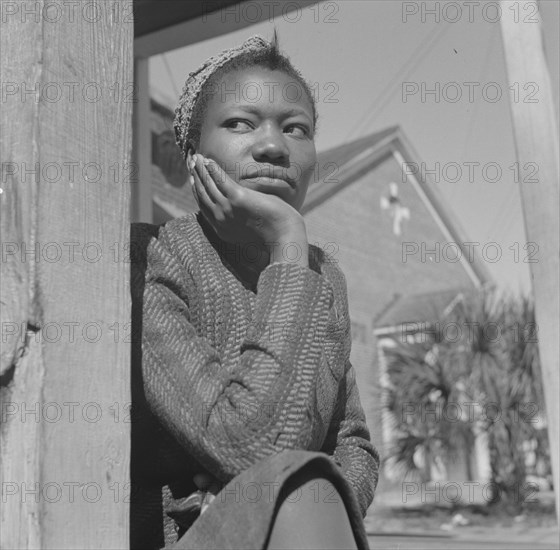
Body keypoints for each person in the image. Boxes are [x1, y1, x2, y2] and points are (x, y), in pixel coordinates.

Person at [130, 33, 380, 550]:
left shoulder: (322, 277)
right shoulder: (154, 254)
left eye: (297, 129)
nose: (273, 146)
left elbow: (353, 445)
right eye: (240, 123)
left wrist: (298, 500)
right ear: (193, 152)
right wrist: (288, 238)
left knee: (307, 489)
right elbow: (249, 444)